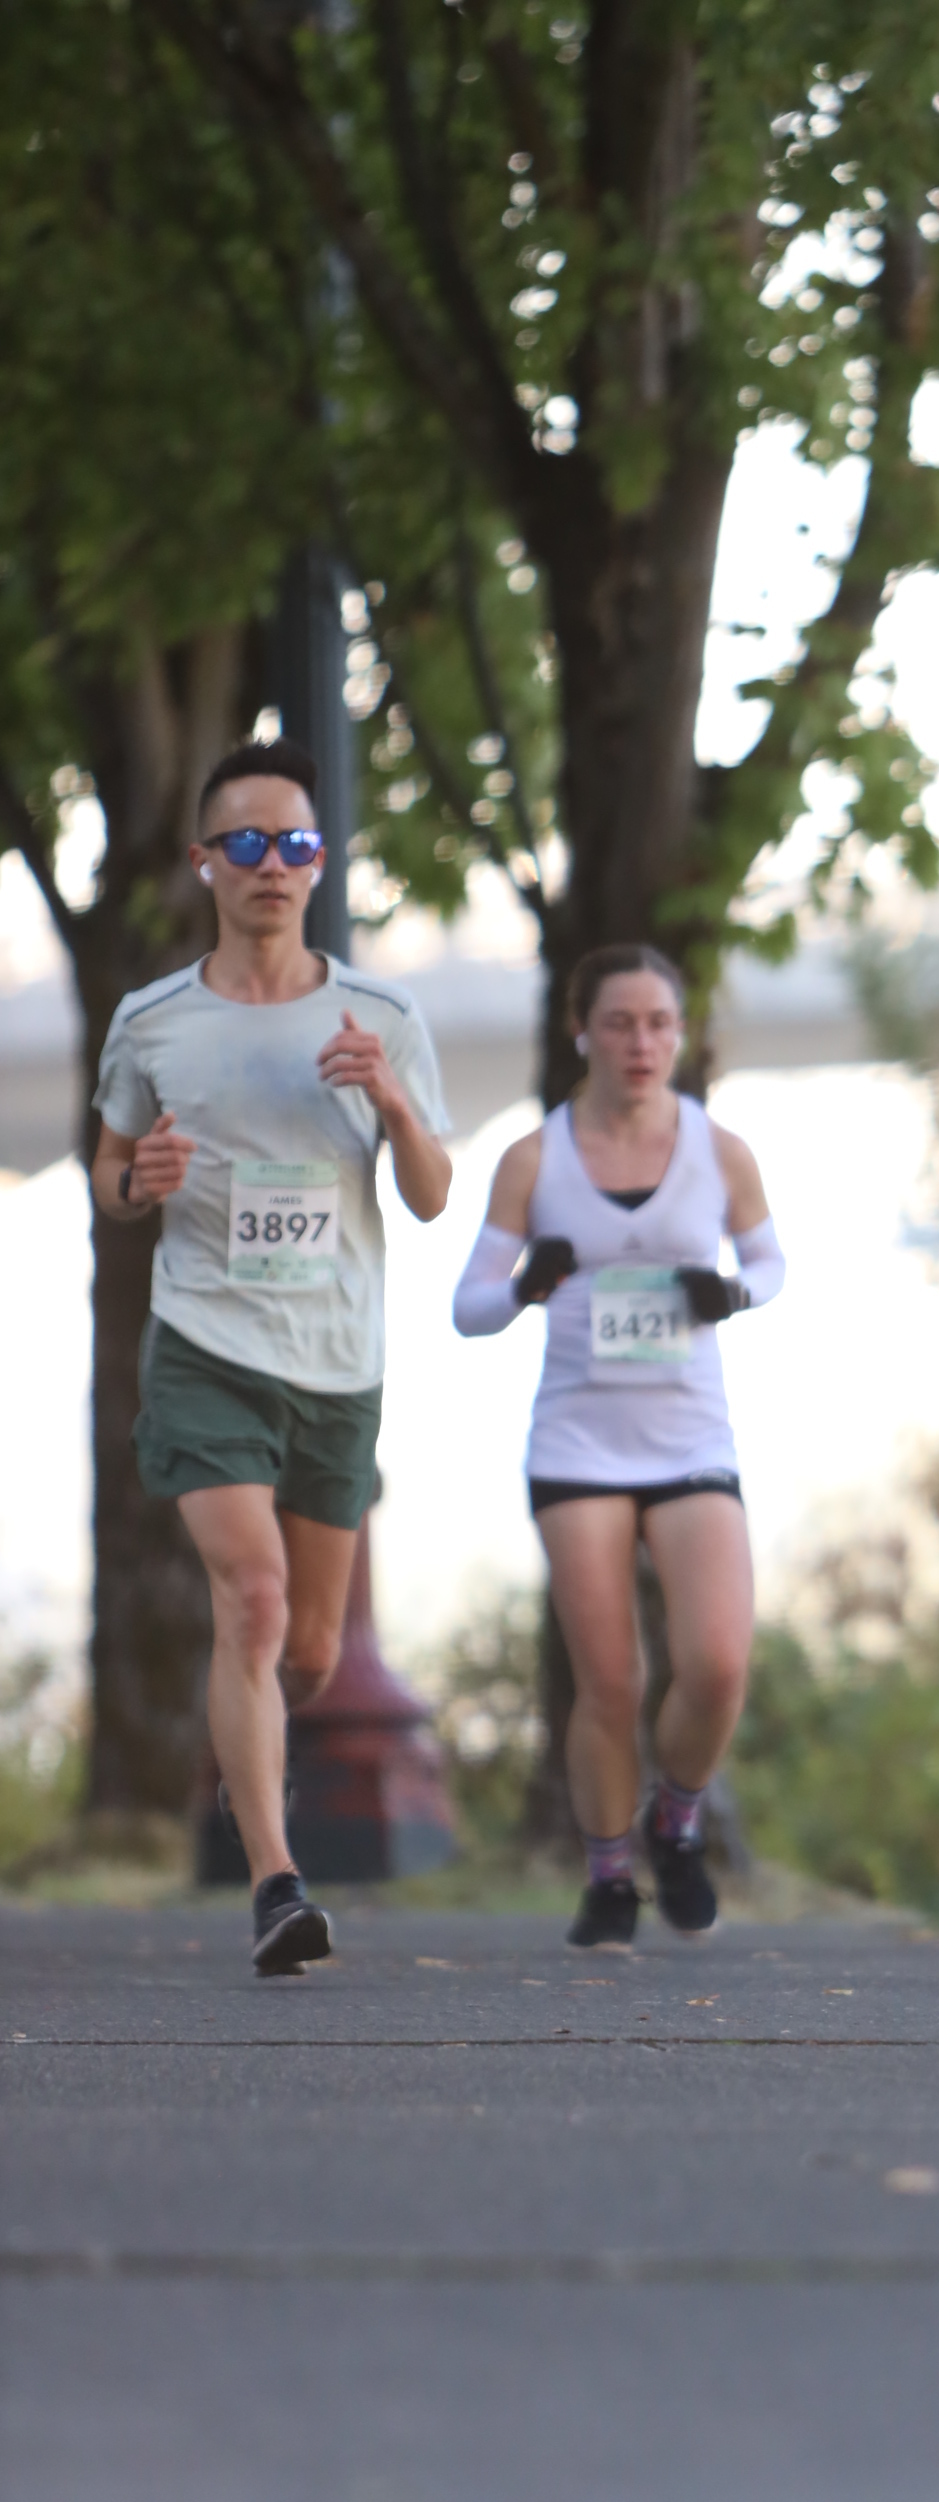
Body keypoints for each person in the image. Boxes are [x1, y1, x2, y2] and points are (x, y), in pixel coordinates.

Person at [91, 736, 453, 1977]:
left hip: (335, 1363)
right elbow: (109, 1173)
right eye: (245, 842)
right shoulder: (153, 1023)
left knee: (307, 1649)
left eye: (294, 843)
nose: (271, 864)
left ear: (319, 862)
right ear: (205, 861)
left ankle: (247, 1748)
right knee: (249, 1597)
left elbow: (432, 1195)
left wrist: (392, 1103)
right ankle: (276, 1883)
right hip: (205, 1347)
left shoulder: (383, 1019)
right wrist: (137, 1180)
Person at [452, 946, 784, 1948]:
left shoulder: (719, 1151)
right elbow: (469, 1306)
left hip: (689, 1440)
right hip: (579, 1447)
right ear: (581, 1031)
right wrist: (524, 1286)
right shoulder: (534, 1159)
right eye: (619, 1023)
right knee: (611, 1681)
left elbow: (770, 1260)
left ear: (681, 1036)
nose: (641, 1043)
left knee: (717, 1663)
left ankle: (674, 1821)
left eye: (659, 1024)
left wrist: (733, 1293)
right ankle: (607, 1876)